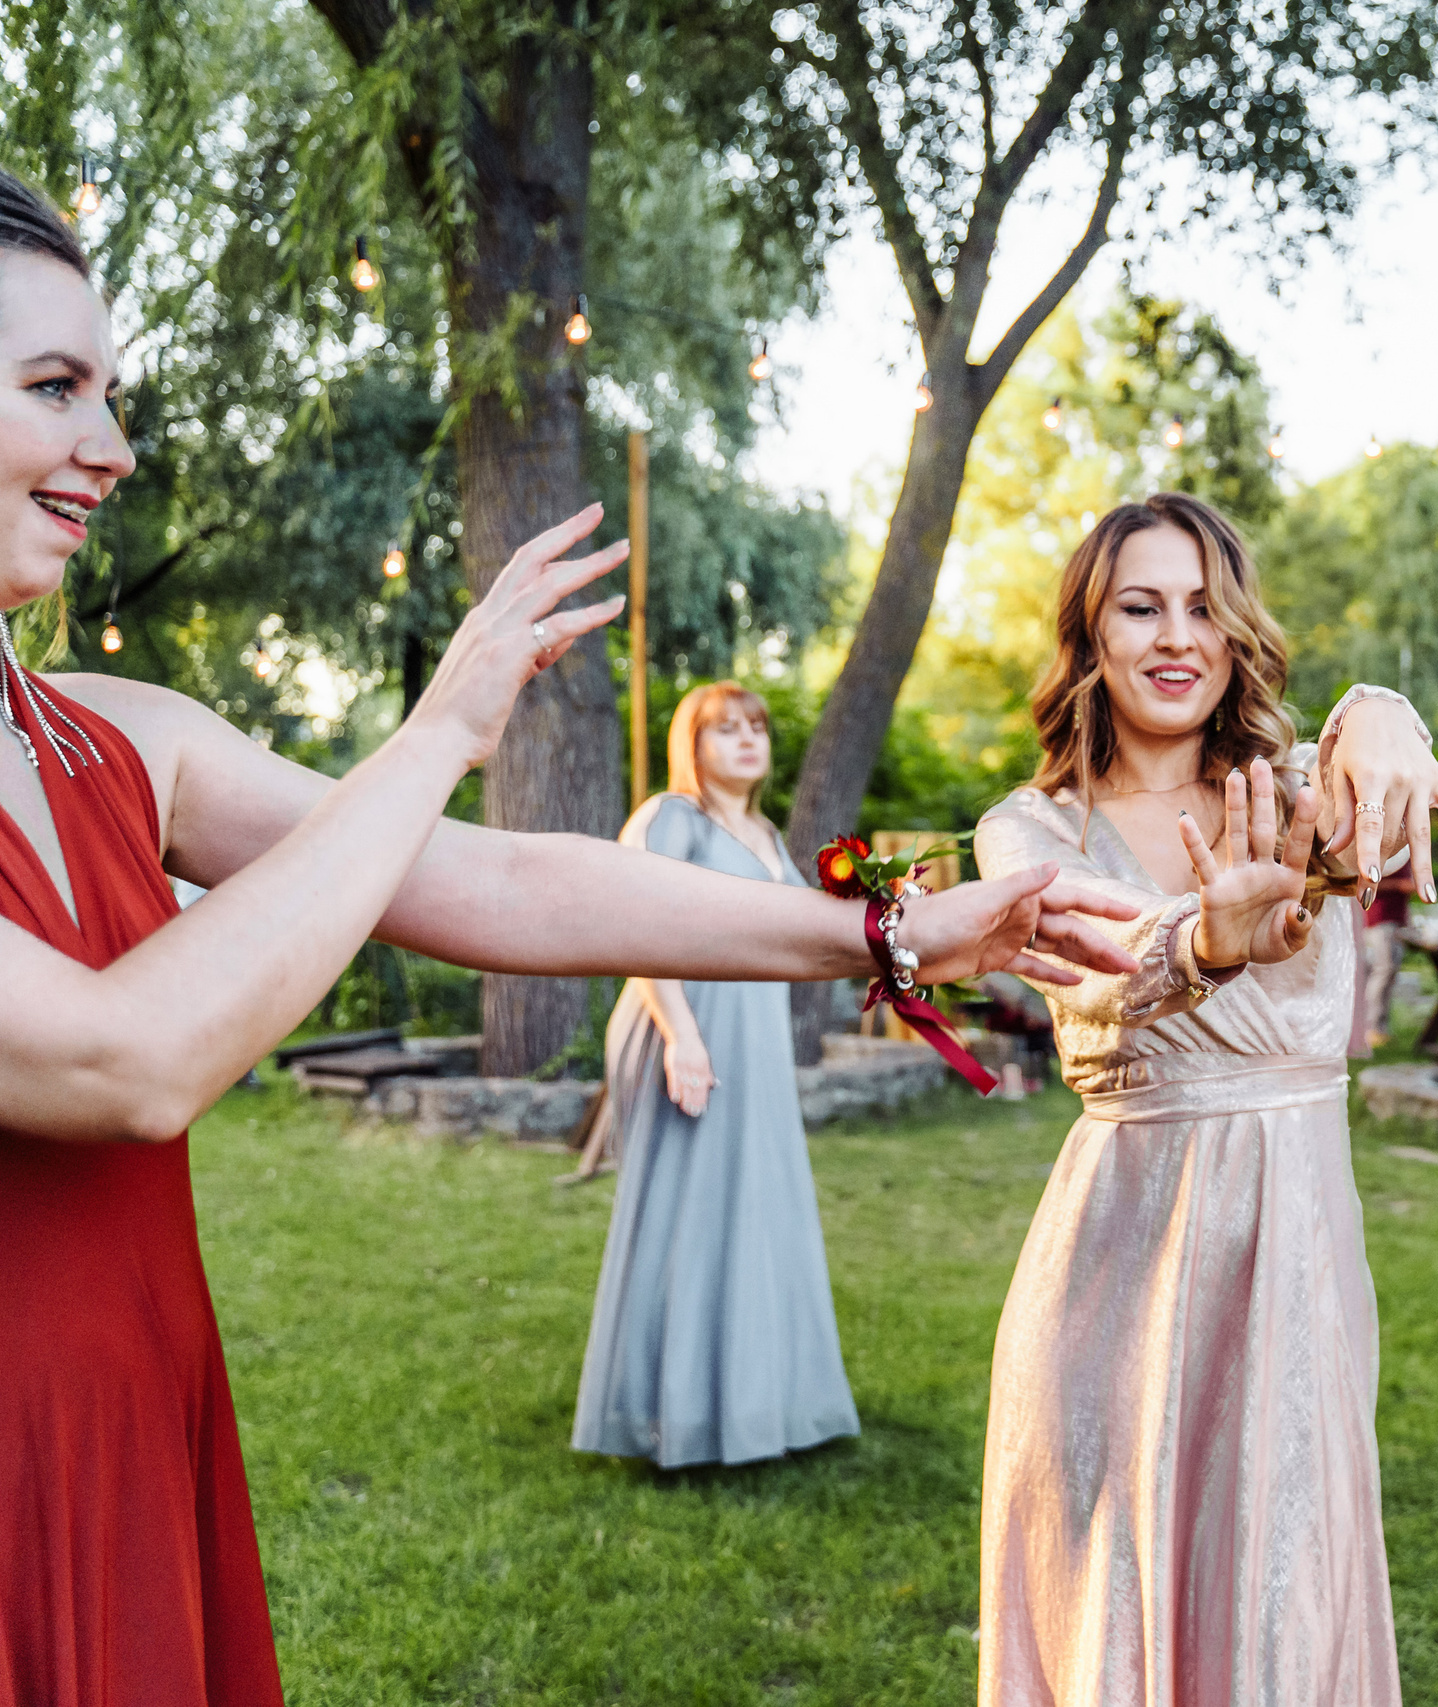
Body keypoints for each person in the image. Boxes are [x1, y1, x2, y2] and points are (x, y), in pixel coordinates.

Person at [0, 167, 1139, 1706]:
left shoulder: (125, 735)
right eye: (54, 387)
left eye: (112, 395)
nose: (114, 448)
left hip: (137, 1411)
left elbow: (509, 882)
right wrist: (437, 731)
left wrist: (890, 934)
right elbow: (125, 1061)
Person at [971, 493, 1438, 1707]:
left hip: (1294, 1256)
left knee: (1282, 1583)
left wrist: (1382, 709)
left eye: (1203, 608)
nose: (1175, 638)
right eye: (1139, 608)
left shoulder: (1299, 798)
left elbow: (1374, 795)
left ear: (1237, 629)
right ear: (1089, 636)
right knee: (1113, 1593)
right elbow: (1096, 978)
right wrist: (1205, 940)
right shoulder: (1029, 829)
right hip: (1117, 1267)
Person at [569, 681, 860, 1468]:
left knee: (755, 1207)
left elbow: (807, 932)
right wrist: (683, 1037)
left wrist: (893, 916)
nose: (747, 740)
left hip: (754, 1039)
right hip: (685, 1028)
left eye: (756, 727)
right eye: (725, 729)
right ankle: (666, 1415)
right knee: (686, 1213)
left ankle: (755, 1405)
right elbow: (635, 925)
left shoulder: (766, 833)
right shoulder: (672, 817)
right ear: (690, 745)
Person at [1354, 858, 1417, 1054]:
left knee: (1389, 973)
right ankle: (1371, 1028)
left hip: (1397, 918)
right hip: (1379, 918)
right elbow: (1364, 882)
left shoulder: (1404, 849)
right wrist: (1400, 885)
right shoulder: (1381, 851)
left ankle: (1380, 1028)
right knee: (1383, 971)